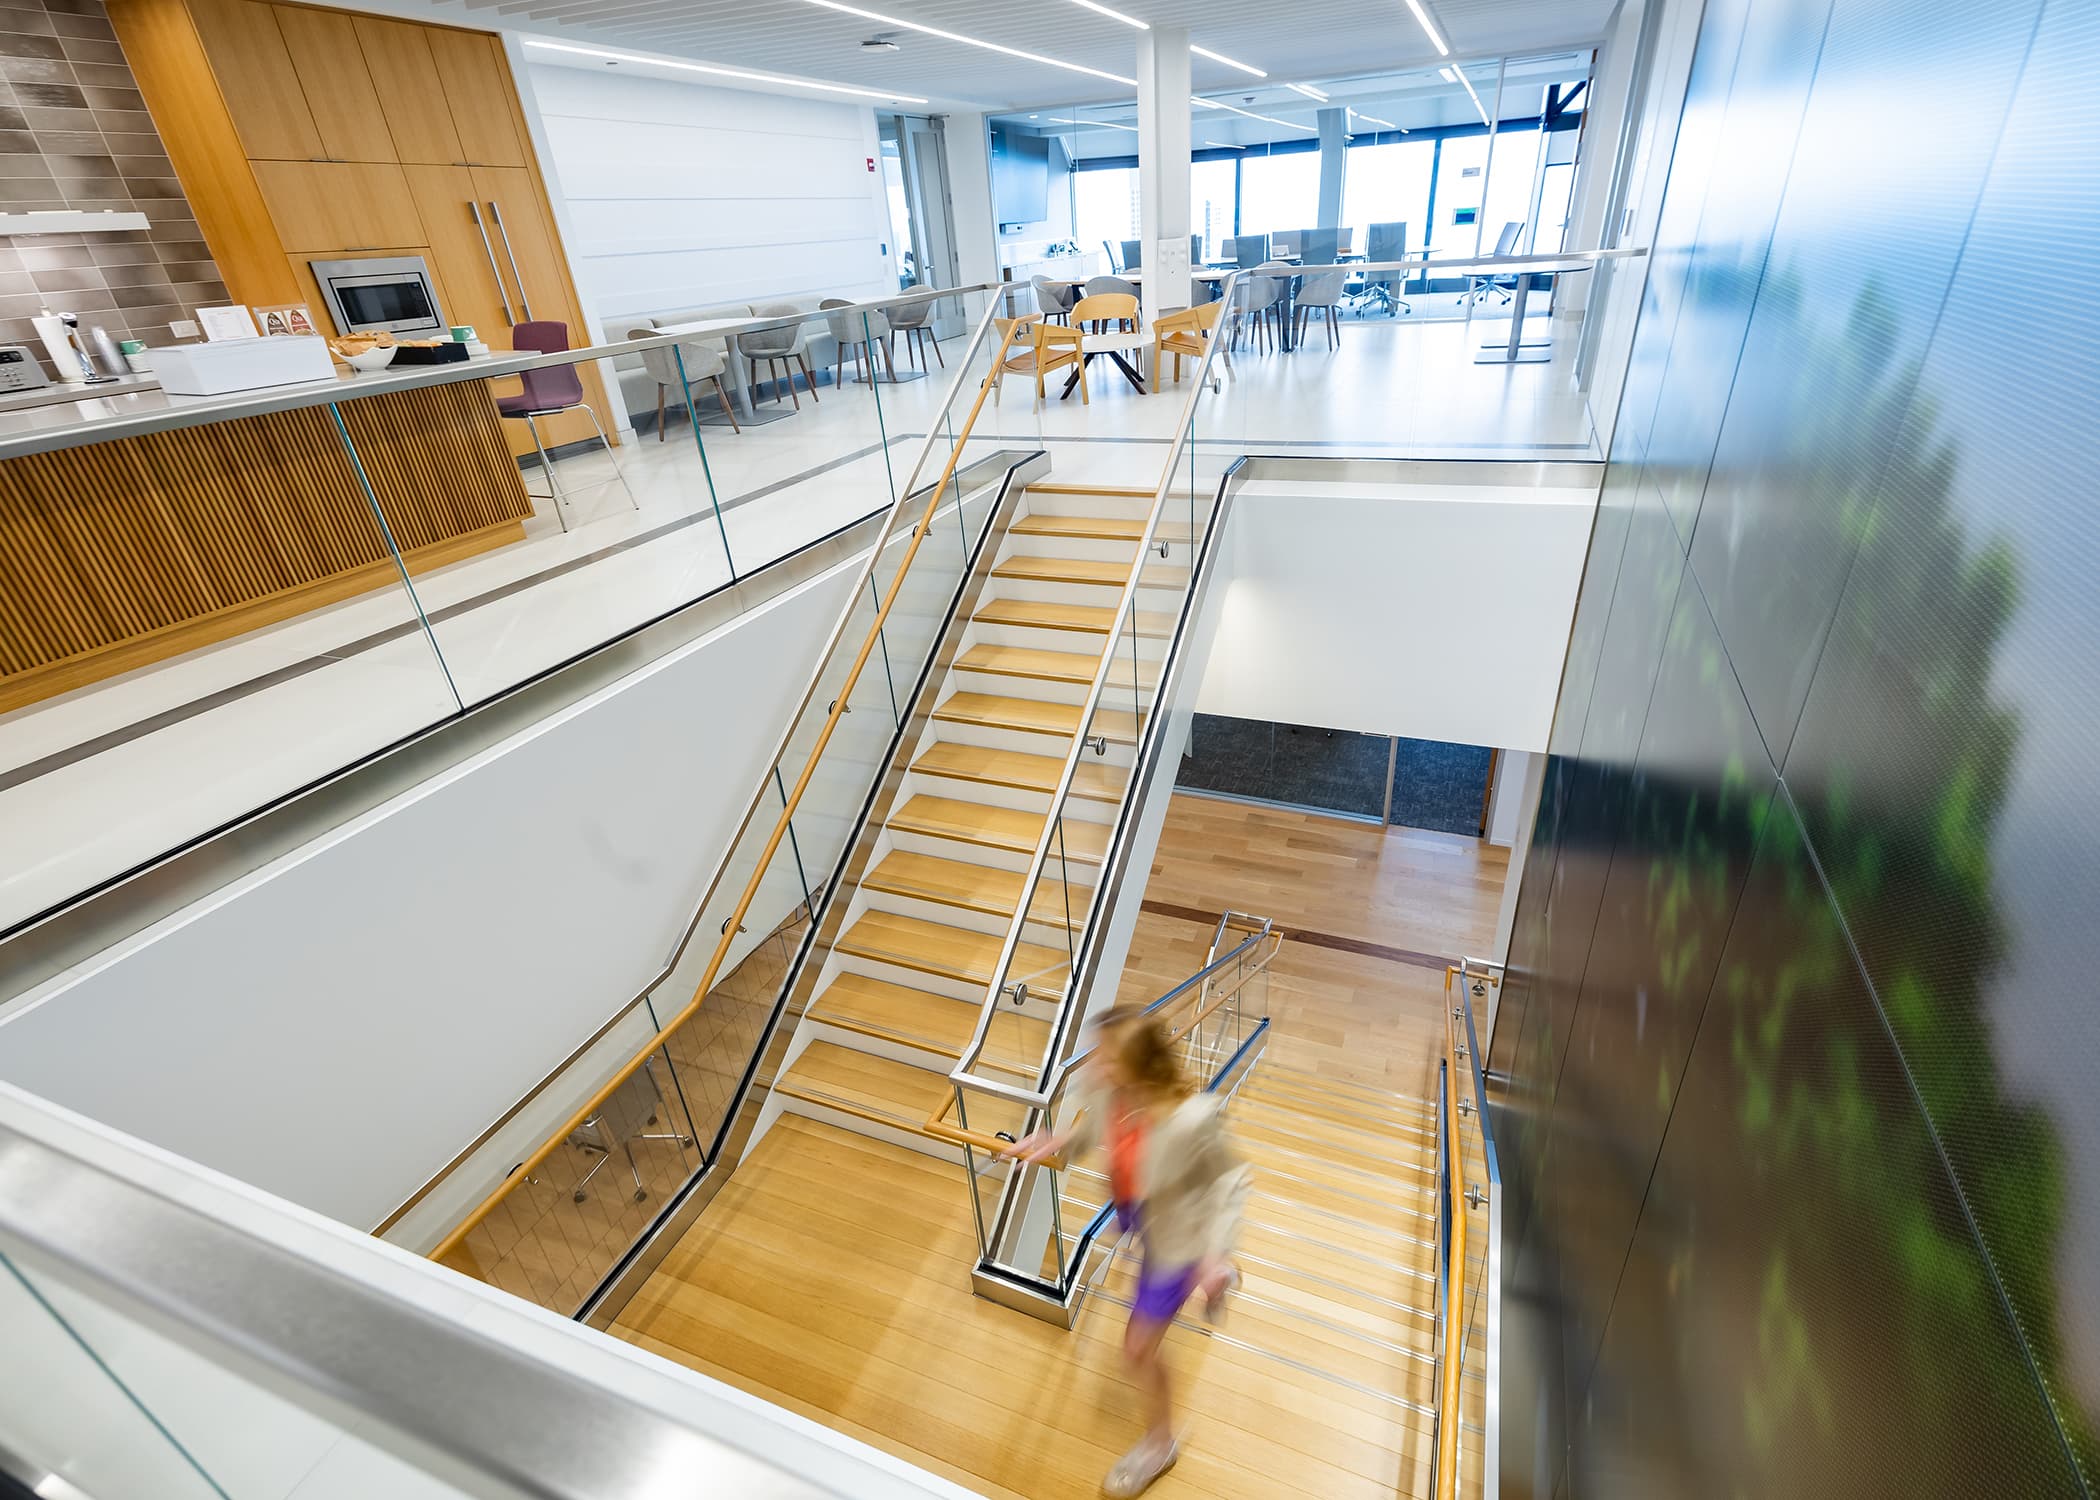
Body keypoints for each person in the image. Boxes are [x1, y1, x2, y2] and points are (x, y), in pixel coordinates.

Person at [1005, 1005, 1249, 1497]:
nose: (1096, 1065)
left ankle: (1161, 1444)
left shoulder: (1191, 1120)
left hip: (1179, 1240)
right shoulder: (1114, 1095)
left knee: (1137, 1350)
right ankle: (1220, 1277)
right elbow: (1096, 1130)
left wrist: (1211, 1251)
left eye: (1108, 1057)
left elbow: (1231, 1180)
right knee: (1142, 1324)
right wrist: (1059, 1141)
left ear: (1139, 1064)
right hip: (1142, 1213)